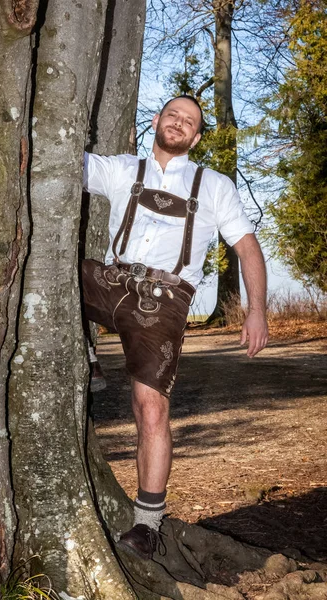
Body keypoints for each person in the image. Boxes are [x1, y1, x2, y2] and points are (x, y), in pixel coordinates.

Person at [82, 95, 268, 560]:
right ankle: (88, 358)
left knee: (150, 409)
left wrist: (257, 309)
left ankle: (147, 524)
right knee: (53, 270)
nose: (180, 124)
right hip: (111, 280)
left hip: (162, 303)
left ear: (197, 136)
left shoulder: (214, 186)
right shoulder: (123, 169)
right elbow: (63, 159)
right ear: (157, 120)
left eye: (190, 122)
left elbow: (247, 247)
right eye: (173, 115)